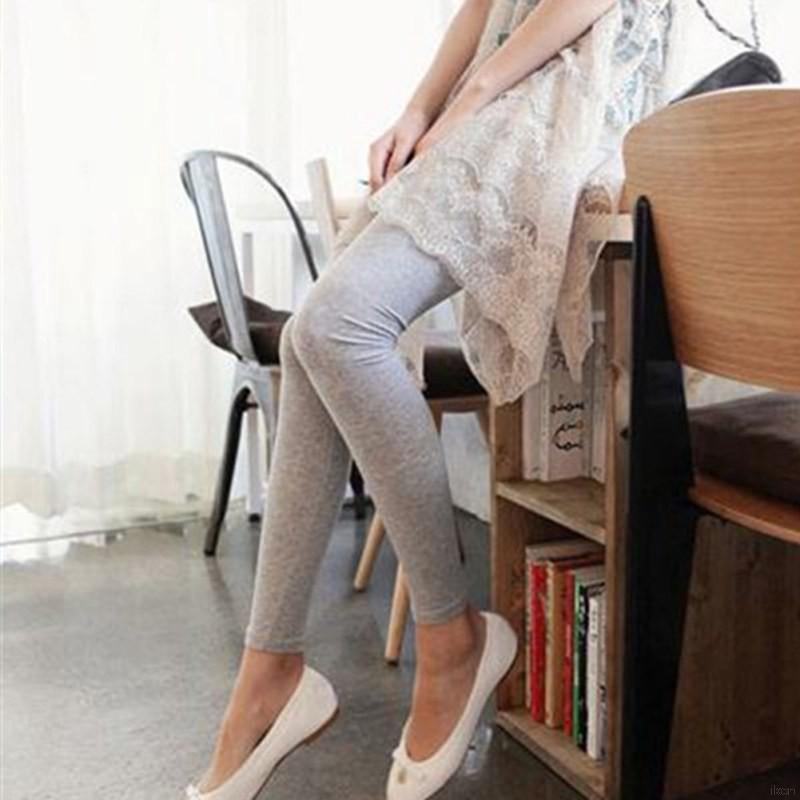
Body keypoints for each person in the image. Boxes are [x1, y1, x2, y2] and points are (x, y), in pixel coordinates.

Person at [184, 1, 674, 798]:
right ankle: (270, 667)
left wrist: (471, 97)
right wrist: (420, 107)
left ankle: (450, 638)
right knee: (313, 336)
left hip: (563, 94)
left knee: (336, 325)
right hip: (498, 92)